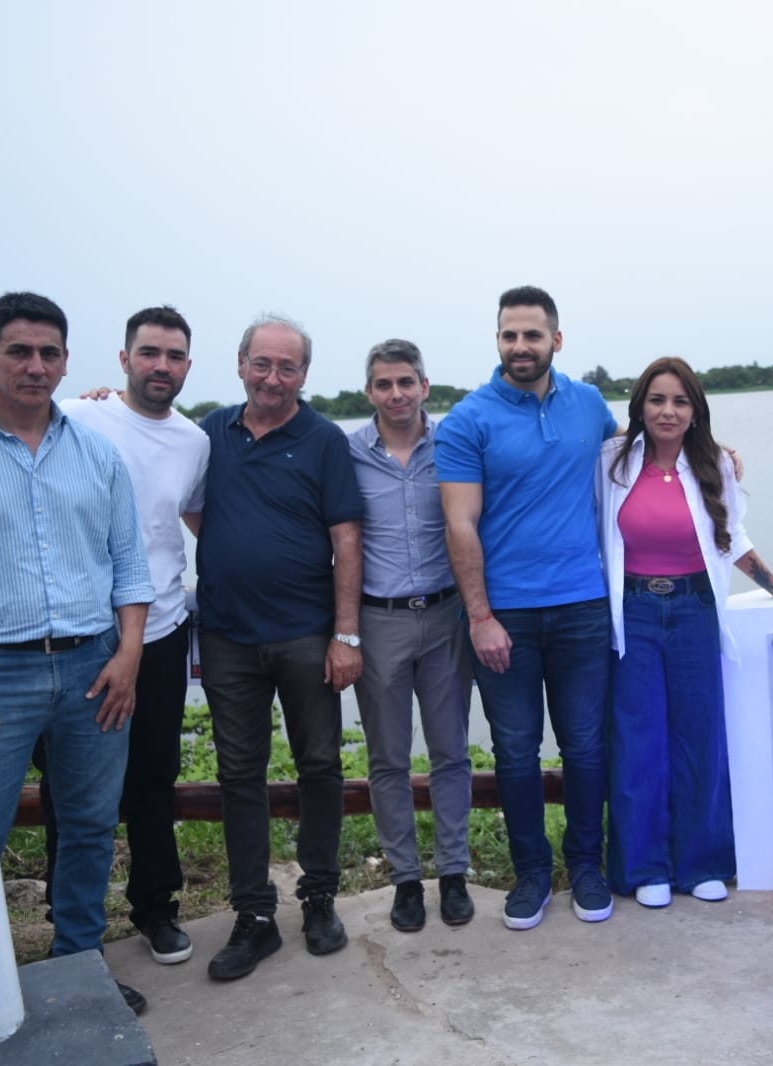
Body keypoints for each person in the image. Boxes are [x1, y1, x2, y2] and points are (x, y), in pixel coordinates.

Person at [0, 292, 155, 1013]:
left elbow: (129, 562)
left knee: (91, 825)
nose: (35, 366)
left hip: (95, 668)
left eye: (49, 352)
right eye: (19, 351)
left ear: (66, 361)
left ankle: (79, 970)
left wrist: (127, 656)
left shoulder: (97, 452)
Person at [598, 356, 773, 909]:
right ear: (640, 406)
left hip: (696, 609)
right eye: (657, 400)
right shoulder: (611, 460)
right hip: (633, 611)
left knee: (701, 736)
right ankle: (643, 867)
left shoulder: (715, 465)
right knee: (638, 741)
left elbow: (732, 536)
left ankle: (702, 862)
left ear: (696, 410)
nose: (668, 411)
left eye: (680, 401)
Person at [436, 286, 618, 931]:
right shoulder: (468, 420)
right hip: (504, 617)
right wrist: (480, 616)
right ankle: (532, 874)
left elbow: (639, 463)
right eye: (509, 336)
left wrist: (720, 456)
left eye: (532, 336)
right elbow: (461, 525)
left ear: (556, 341)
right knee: (515, 753)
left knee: (586, 747)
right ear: (497, 342)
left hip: (583, 607)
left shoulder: (590, 405)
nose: (521, 347)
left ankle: (587, 868)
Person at [37, 306, 208, 970]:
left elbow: (193, 523)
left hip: (162, 629)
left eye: (173, 356)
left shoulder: (195, 442)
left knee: (154, 777)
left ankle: (156, 909)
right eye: (149, 353)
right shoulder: (79, 416)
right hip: (83, 635)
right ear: (123, 358)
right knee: (69, 786)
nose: (160, 366)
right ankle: (70, 927)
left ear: (188, 366)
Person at [196, 314, 365, 980]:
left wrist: (345, 634)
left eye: (286, 367)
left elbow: (346, 540)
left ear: (303, 374)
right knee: (240, 775)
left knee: (319, 765)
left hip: (305, 634)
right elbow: (171, 482)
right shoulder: (210, 432)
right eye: (261, 364)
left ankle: (319, 899)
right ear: (240, 364)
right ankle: (254, 917)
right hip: (228, 635)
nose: (272, 378)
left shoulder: (323, 440)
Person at [348, 339, 475, 932]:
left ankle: (453, 873)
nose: (395, 394)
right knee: (388, 758)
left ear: (425, 386)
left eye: (406, 382)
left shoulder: (456, 444)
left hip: (446, 616)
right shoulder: (346, 453)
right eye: (383, 384)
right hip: (379, 621)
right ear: (369, 391)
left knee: (451, 752)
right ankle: (404, 879)